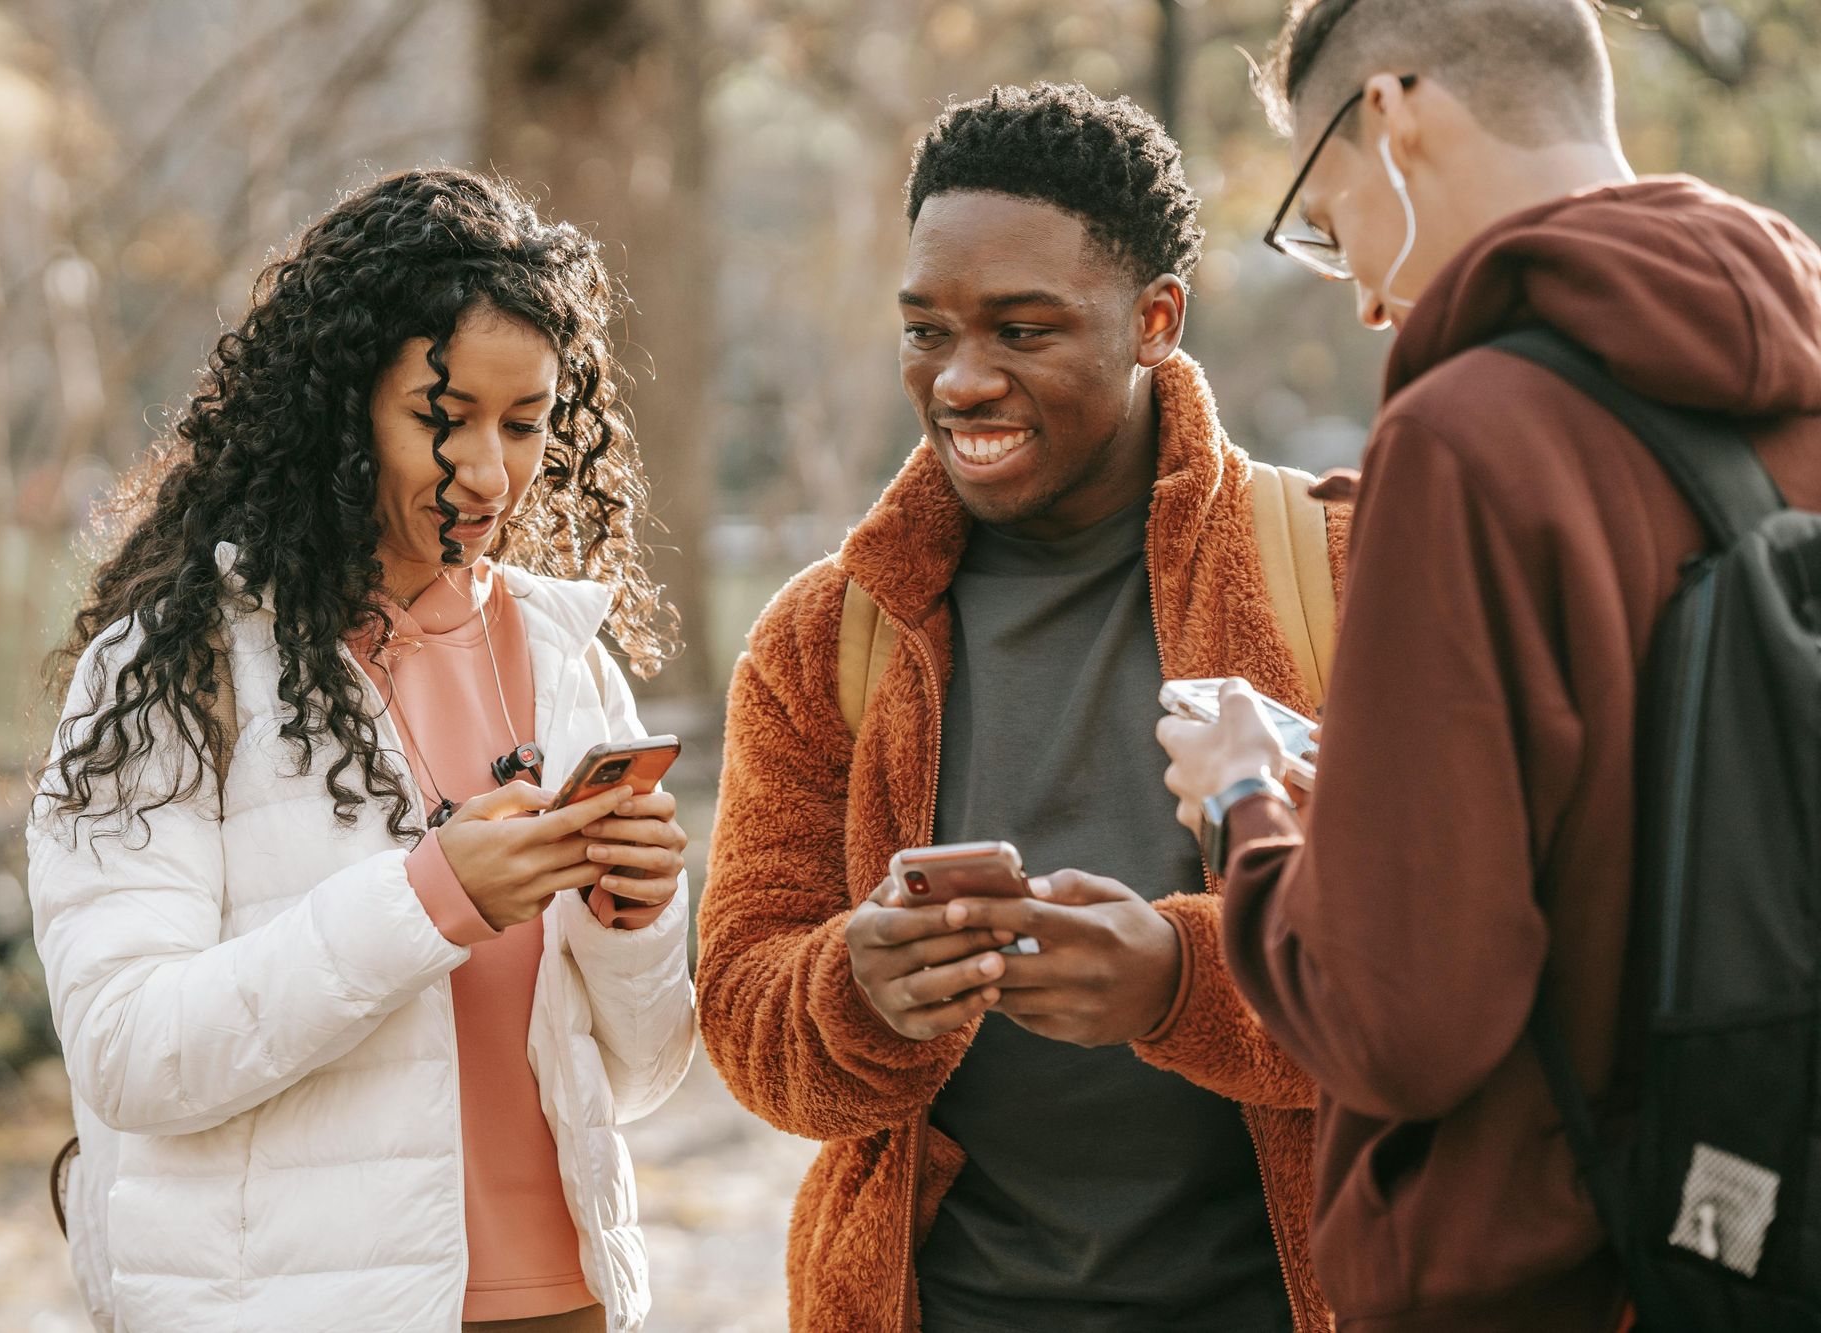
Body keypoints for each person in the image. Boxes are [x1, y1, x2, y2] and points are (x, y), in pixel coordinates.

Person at [1157, 2, 1821, 1330]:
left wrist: (1246, 805)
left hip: (1544, 1274)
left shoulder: (1470, 438)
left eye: (1328, 218)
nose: (1356, 293)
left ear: (1394, 116)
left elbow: (1404, 1019)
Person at [697, 83, 1350, 1332]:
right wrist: (859, 988)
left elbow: (1454, 974)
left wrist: (1180, 983)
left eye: (1023, 330)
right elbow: (741, 1008)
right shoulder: (821, 638)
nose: (961, 380)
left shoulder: (1337, 575)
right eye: (926, 330)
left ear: (1153, 320)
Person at [28, 169, 695, 1333]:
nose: (489, 471)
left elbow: (634, 1079)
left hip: (565, 1300)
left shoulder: (567, 657)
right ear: (339, 412)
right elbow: (129, 1054)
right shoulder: (174, 667)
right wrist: (428, 902)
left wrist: (636, 920)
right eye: (443, 418)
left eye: (525, 423)